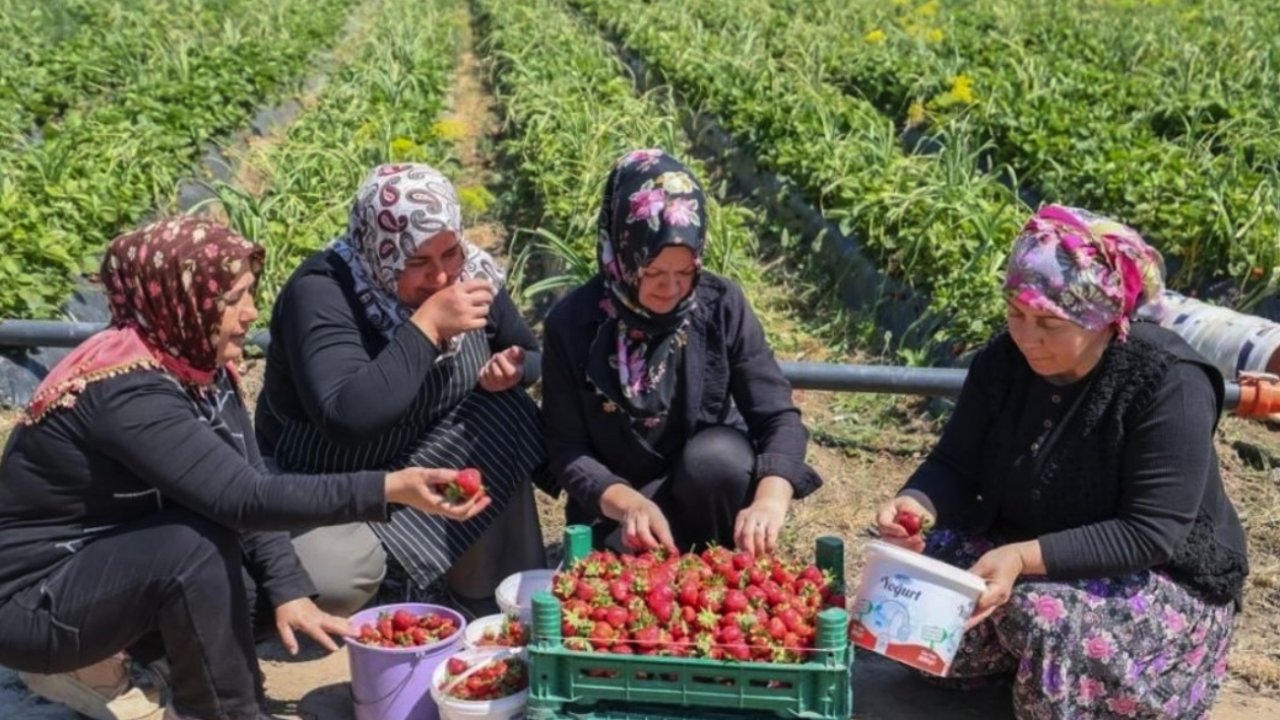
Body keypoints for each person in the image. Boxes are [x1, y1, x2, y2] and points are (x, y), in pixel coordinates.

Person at [0, 217, 489, 720]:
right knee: (191, 550)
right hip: (33, 602)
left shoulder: (195, 367)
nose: (250, 313)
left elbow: (245, 475)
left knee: (248, 586)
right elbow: (243, 496)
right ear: (181, 300)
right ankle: (214, 706)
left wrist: (290, 592)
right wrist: (390, 487)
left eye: (249, 293)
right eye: (232, 299)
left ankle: (153, 661)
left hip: (111, 567)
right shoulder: (125, 391)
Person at [875, 205, 1249, 719]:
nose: (1027, 337)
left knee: (1038, 615)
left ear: (1102, 318)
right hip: (1028, 550)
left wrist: (1023, 559)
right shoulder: (1003, 361)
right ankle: (1022, 666)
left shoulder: (1169, 382)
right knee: (911, 590)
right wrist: (914, 503)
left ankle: (1099, 687)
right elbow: (955, 465)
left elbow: (1149, 532)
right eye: (1016, 314)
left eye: (1049, 322)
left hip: (1156, 580)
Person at [255, 163, 549, 616]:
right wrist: (427, 326)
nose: (441, 277)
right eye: (417, 262)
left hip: (429, 450)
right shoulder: (321, 293)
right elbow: (347, 417)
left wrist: (515, 368)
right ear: (380, 251)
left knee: (505, 412)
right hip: (330, 477)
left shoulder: (471, 273)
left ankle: (476, 585)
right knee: (335, 582)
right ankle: (395, 570)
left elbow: (530, 353)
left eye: (450, 253)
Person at [542, 149, 822, 555]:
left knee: (718, 459)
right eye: (652, 272)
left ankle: (714, 562)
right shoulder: (574, 324)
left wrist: (770, 500)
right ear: (621, 255)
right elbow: (568, 450)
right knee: (611, 595)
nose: (670, 288)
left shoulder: (720, 304)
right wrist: (628, 503)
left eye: (685, 271)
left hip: (704, 491)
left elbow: (777, 415)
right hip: (619, 509)